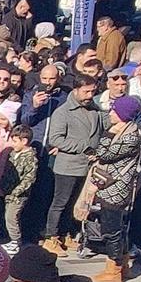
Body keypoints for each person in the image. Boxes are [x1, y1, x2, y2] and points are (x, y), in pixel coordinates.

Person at [74, 95, 141, 282]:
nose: (110, 114)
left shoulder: (130, 136)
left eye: (114, 111)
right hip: (111, 186)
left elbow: (105, 154)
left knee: (111, 229)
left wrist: (108, 134)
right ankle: (123, 266)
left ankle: (113, 270)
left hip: (115, 189)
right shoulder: (126, 132)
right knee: (115, 228)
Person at [42, 74, 106, 254]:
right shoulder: (63, 112)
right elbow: (55, 139)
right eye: (86, 91)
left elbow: (104, 126)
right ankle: (51, 237)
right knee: (60, 202)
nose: (89, 95)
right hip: (68, 165)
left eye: (93, 91)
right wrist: (83, 147)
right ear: (76, 90)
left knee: (74, 202)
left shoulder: (95, 110)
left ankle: (66, 233)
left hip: (87, 166)